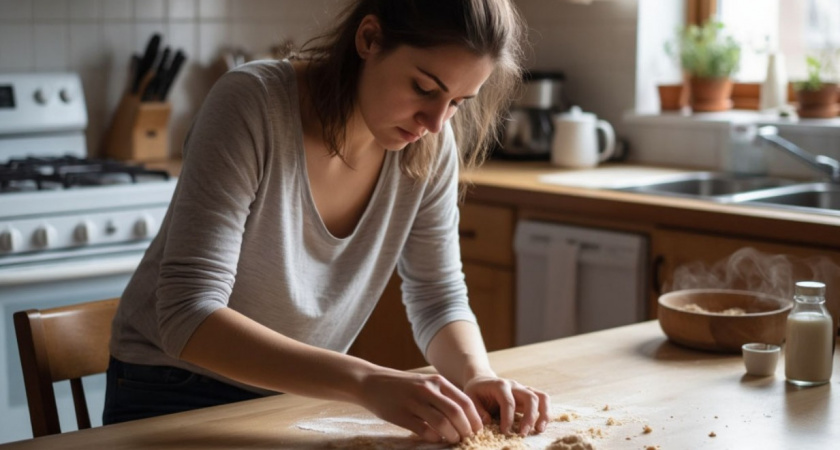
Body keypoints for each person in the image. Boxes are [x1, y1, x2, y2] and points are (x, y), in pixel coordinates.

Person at [104, 0, 550, 444]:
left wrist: (477, 375)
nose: (435, 122)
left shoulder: (429, 146)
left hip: (294, 395)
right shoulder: (251, 103)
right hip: (171, 391)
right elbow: (188, 315)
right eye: (423, 87)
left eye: (457, 102)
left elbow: (438, 297)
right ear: (369, 39)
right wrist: (364, 381)